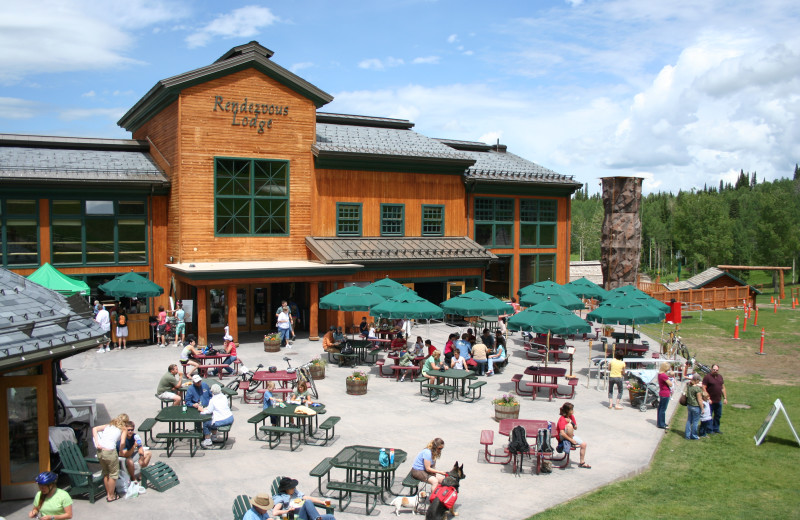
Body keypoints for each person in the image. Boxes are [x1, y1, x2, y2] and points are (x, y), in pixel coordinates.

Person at [92, 413, 130, 502]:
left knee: (106, 472)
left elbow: (95, 428)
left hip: (100, 451)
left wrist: (97, 442)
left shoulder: (108, 425)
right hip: (110, 452)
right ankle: (111, 495)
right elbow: (122, 443)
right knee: (113, 474)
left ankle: (109, 493)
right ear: (125, 422)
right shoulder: (123, 429)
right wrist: (121, 450)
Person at [555, 402, 591, 468]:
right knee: (569, 426)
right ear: (567, 411)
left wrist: (571, 422)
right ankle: (570, 442)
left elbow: (576, 427)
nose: (573, 411)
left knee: (584, 444)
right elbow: (562, 433)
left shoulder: (571, 417)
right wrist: (571, 440)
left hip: (570, 435)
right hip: (562, 437)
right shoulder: (562, 419)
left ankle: (582, 463)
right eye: (571, 410)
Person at [702, 364, 728, 434]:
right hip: (710, 401)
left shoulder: (720, 377)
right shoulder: (707, 377)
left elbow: (723, 388)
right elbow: (703, 387)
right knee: (709, 416)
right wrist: (708, 398)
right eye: (714, 370)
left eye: (716, 370)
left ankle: (716, 428)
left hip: (718, 400)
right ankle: (709, 429)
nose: (715, 371)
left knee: (718, 415)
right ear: (711, 369)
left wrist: (725, 398)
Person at [684, 374, 705, 440]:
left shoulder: (689, 386)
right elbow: (699, 399)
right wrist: (702, 408)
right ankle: (694, 435)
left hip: (689, 405)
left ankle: (687, 435)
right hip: (695, 406)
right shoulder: (697, 389)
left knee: (689, 420)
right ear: (697, 380)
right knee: (695, 422)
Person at [656, 362, 674, 429]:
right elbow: (670, 384)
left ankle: (660, 422)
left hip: (662, 392)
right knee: (663, 409)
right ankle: (662, 424)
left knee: (660, 408)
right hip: (665, 393)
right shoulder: (664, 375)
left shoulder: (660, 374)